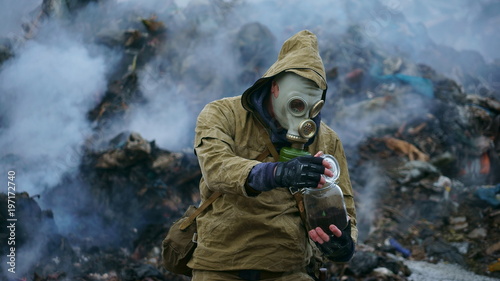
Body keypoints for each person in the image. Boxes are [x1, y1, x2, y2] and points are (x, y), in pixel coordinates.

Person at [189, 30, 357, 281]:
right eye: (296, 104)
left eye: (313, 109)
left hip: (288, 265)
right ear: (275, 87)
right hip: (222, 262)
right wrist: (276, 173)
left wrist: (343, 243)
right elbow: (216, 168)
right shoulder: (223, 114)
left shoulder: (326, 139)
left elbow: (344, 207)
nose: (303, 118)